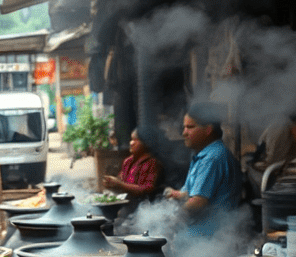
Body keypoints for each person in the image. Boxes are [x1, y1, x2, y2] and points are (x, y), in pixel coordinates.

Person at [166, 101, 243, 237]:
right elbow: (191, 192)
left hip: (210, 235)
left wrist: (170, 219)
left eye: (190, 127)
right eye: (184, 127)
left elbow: (197, 202)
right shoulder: (203, 154)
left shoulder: (212, 158)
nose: (184, 133)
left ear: (208, 129)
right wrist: (175, 194)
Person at [101, 128, 163, 200]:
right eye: (131, 139)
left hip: (143, 204)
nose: (131, 143)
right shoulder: (128, 161)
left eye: (136, 140)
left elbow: (147, 189)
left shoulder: (153, 163)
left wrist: (119, 184)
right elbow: (121, 179)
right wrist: (110, 182)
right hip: (125, 200)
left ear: (147, 143)